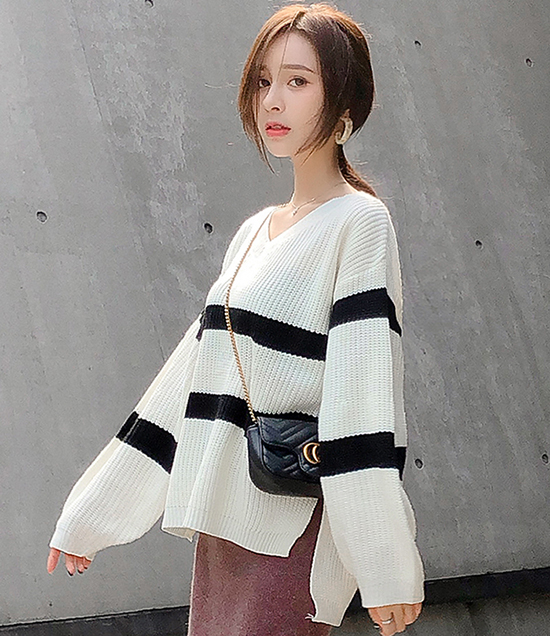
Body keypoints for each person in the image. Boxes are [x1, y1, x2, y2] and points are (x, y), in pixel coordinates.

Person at [47, 3, 425, 635]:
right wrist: (92, 514)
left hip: (288, 526)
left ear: (344, 101)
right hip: (223, 524)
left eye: (298, 81)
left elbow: (362, 398)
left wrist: (384, 564)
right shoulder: (254, 233)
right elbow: (189, 378)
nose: (273, 99)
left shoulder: (360, 222)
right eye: (264, 81)